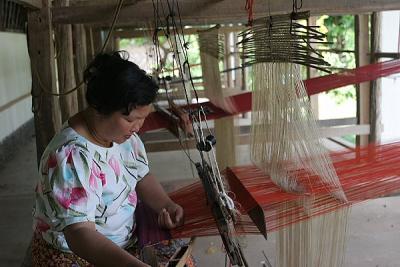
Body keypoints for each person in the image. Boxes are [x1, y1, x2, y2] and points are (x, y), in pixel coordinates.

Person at [32, 51, 192, 266]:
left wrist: (167, 205)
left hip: (127, 238)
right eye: (130, 119)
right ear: (100, 108)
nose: (138, 127)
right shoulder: (71, 157)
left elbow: (141, 176)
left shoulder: (125, 137)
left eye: (143, 119)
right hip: (76, 253)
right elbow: (79, 233)